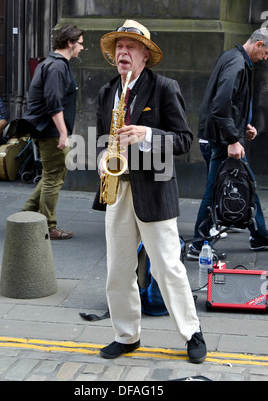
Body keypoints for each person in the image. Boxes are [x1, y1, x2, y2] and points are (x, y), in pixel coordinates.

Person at [93, 20, 207, 363]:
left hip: (154, 191)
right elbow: (102, 140)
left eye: (130, 46)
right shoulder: (105, 92)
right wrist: (101, 158)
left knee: (167, 266)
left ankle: (192, 332)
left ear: (145, 55)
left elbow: (185, 141)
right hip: (118, 190)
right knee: (118, 269)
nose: (122, 52)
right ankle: (127, 336)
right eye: (118, 47)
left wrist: (147, 134)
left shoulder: (164, 87)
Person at [187, 29, 268, 261]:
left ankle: (260, 235)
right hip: (223, 141)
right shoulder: (238, 64)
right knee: (214, 190)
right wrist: (233, 139)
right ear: (259, 43)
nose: (265, 57)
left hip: (222, 136)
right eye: (266, 52)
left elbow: (229, 105)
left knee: (248, 182)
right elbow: (221, 104)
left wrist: (242, 127)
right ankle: (198, 243)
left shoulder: (232, 57)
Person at [18, 24, 84, 240]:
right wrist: (63, 133)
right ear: (69, 43)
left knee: (51, 175)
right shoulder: (56, 67)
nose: (82, 48)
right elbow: (53, 102)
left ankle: (27, 212)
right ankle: (49, 226)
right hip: (50, 131)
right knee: (53, 178)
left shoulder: (51, 64)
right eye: (80, 43)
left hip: (46, 130)